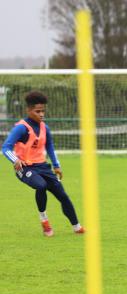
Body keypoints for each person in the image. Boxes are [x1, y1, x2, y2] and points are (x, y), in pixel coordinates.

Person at [2, 91, 84, 237]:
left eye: (43, 111)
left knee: (63, 196)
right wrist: (15, 160)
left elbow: (50, 147)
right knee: (41, 185)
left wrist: (56, 165)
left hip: (43, 167)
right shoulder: (21, 128)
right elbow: (5, 147)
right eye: (37, 111)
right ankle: (44, 220)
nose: (41, 114)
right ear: (29, 110)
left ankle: (77, 226)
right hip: (25, 167)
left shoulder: (45, 128)